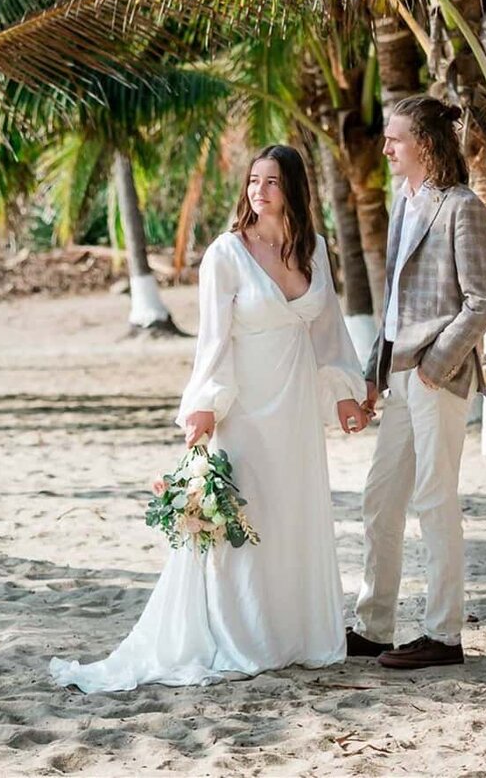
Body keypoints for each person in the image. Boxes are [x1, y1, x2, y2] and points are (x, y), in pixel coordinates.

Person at [50, 144, 370, 692]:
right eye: (253, 181)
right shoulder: (227, 252)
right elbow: (213, 339)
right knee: (243, 515)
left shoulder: (314, 247)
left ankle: (294, 635)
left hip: (293, 409)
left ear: (293, 188)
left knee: (291, 511)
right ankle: (240, 635)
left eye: (271, 182)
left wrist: (342, 392)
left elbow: (327, 328)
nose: (258, 191)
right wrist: (204, 405)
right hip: (244, 407)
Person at [348, 94, 486, 671]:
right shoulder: (403, 200)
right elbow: (391, 303)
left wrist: (437, 365)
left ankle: (444, 635)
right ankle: (374, 625)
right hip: (399, 375)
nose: (386, 146)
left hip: (439, 377)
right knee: (380, 497)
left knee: (434, 501)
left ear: (426, 145)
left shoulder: (463, 207)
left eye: (396, 138)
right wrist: (373, 372)